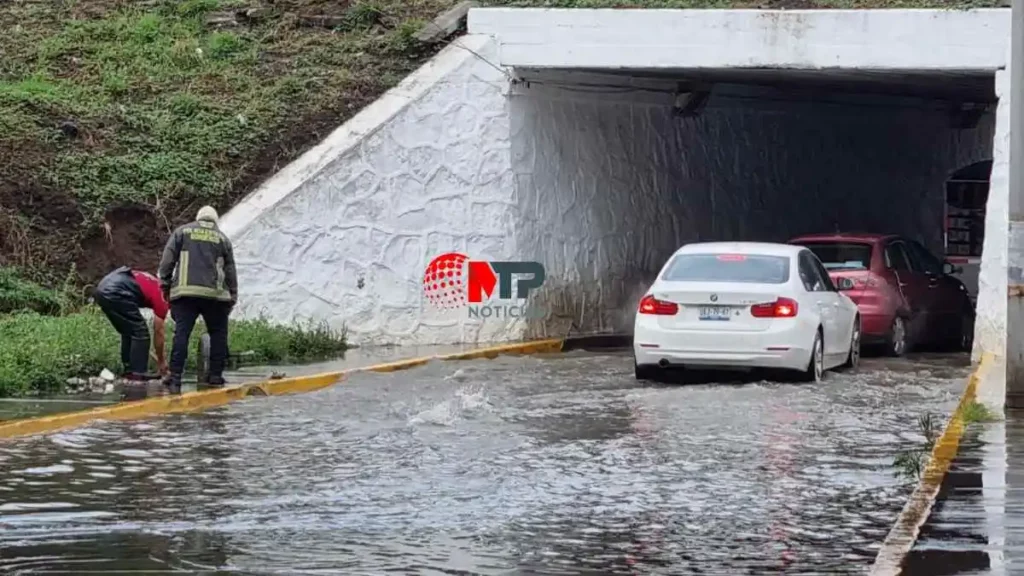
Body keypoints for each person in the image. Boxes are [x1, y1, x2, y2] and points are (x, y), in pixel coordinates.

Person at [157, 205, 238, 392]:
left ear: (198, 217)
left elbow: (167, 261)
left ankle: (176, 378)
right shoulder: (222, 239)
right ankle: (216, 377)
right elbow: (230, 269)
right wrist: (233, 294)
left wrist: (165, 284)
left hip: (185, 295)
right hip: (215, 296)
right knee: (218, 334)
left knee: (182, 334)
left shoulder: (182, 232)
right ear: (215, 221)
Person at [93, 267, 169, 380]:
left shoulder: (154, 282)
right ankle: (138, 373)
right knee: (140, 332)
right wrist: (162, 361)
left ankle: (129, 370)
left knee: (128, 330)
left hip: (102, 289)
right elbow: (159, 331)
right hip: (116, 290)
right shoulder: (163, 296)